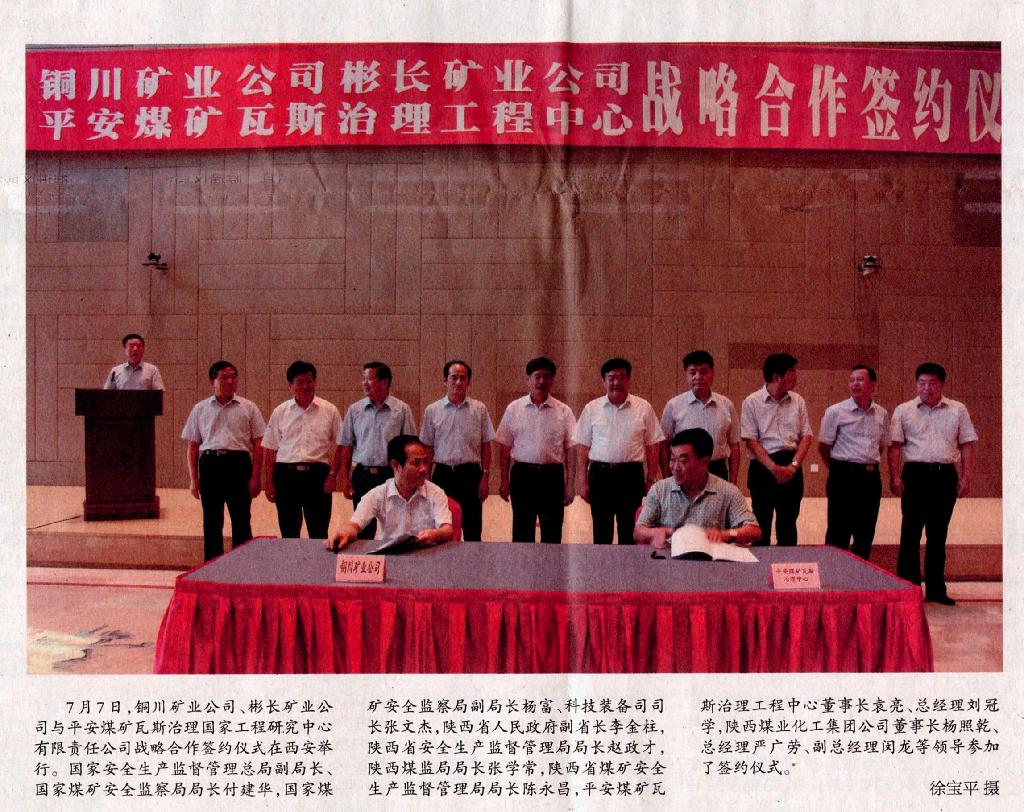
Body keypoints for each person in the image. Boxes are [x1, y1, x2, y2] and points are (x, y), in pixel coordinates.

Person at [888, 362, 978, 606]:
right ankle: (909, 589)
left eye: (932, 383)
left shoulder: (958, 410)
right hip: (914, 476)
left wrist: (966, 477)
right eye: (922, 383)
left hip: (945, 476)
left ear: (942, 384)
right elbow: (894, 447)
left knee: (938, 535)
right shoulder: (903, 410)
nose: (927, 388)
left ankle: (937, 589)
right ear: (916, 384)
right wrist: (895, 476)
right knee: (910, 533)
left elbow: (967, 444)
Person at [573, 357, 664, 545]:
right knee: (601, 531)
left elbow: (652, 446)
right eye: (611, 378)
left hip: (630, 477)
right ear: (604, 381)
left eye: (621, 377)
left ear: (629, 380)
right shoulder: (592, 408)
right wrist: (582, 479)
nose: (616, 382)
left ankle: (628, 566)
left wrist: (651, 479)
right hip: (600, 476)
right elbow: (582, 447)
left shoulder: (643, 408)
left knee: (629, 531)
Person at [181, 361, 265, 560]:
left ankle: (242, 567)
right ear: (212, 382)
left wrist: (255, 477)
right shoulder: (200, 408)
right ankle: (212, 568)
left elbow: (258, 444)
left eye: (233, 376)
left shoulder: (249, 407)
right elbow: (193, 446)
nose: (230, 381)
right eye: (224, 377)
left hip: (239, 465)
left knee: (241, 519)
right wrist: (194, 479)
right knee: (212, 521)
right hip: (210, 465)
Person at [634, 428, 761, 548]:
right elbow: (638, 532)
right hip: (669, 557)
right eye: (672, 459)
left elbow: (754, 531)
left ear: (704, 462)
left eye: (683, 461)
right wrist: (653, 533)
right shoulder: (659, 490)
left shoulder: (728, 492)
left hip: (711, 559)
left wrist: (727, 534)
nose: (675, 467)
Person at [496, 356, 576, 543]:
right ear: (528, 379)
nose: (541, 381)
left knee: (552, 532)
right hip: (522, 476)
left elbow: (571, 451)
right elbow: (504, 448)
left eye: (546, 377)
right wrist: (504, 480)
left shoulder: (564, 411)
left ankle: (551, 564)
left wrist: (570, 484)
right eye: (537, 376)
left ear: (552, 381)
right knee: (522, 531)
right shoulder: (514, 408)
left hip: (552, 477)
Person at [325, 434, 453, 550]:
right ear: (395, 465)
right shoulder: (378, 494)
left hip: (425, 554)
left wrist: (435, 534)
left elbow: (447, 529)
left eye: (425, 462)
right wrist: (344, 533)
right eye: (416, 463)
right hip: (389, 555)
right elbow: (354, 525)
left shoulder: (435, 492)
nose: (424, 469)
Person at [261, 360, 342, 539]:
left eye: (309, 381)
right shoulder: (280, 411)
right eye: (299, 382)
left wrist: (333, 475)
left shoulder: (329, 410)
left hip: (318, 477)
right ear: (290, 386)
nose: (305, 386)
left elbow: (342, 445)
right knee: (289, 533)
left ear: (315, 382)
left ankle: (317, 560)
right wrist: (269, 482)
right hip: (286, 476)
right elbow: (271, 449)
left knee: (319, 532)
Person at [336, 361, 416, 539]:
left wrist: (408, 478)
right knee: (363, 528)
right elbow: (346, 445)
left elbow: (410, 447)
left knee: (395, 528)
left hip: (391, 475)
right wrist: (345, 478)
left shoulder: (402, 410)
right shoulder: (355, 410)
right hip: (362, 475)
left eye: (369, 379)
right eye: (363, 379)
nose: (364, 383)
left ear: (384, 382)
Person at [740, 352, 812, 546]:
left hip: (791, 466)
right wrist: (774, 468)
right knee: (761, 525)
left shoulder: (798, 400)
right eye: (791, 371)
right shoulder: (751, 402)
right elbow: (751, 441)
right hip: (763, 468)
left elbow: (806, 436)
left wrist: (793, 466)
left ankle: (787, 565)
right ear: (776, 377)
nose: (795, 376)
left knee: (788, 525)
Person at [818, 364, 890, 560]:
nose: (855, 384)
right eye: (852, 380)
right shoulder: (835, 411)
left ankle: (860, 576)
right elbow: (823, 447)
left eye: (860, 380)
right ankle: (834, 575)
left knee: (865, 532)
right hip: (842, 475)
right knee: (838, 532)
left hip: (870, 477)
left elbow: (880, 446)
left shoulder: (881, 413)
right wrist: (840, 468)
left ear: (873, 385)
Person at [419, 360, 495, 541]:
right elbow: (427, 447)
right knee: (443, 527)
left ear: (469, 382)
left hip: (471, 475)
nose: (458, 382)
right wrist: (426, 478)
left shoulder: (479, 409)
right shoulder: (432, 410)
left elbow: (486, 445)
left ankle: (472, 560)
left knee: (473, 529)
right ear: (445, 380)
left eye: (463, 378)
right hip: (443, 475)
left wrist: (485, 477)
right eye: (454, 377)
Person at [660, 350, 740, 483]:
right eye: (692, 373)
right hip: (685, 470)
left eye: (703, 372)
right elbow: (664, 445)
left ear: (712, 373)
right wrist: (668, 479)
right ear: (686, 375)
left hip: (717, 469)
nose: (698, 377)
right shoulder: (674, 405)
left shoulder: (726, 405)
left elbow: (734, 445)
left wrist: (733, 482)